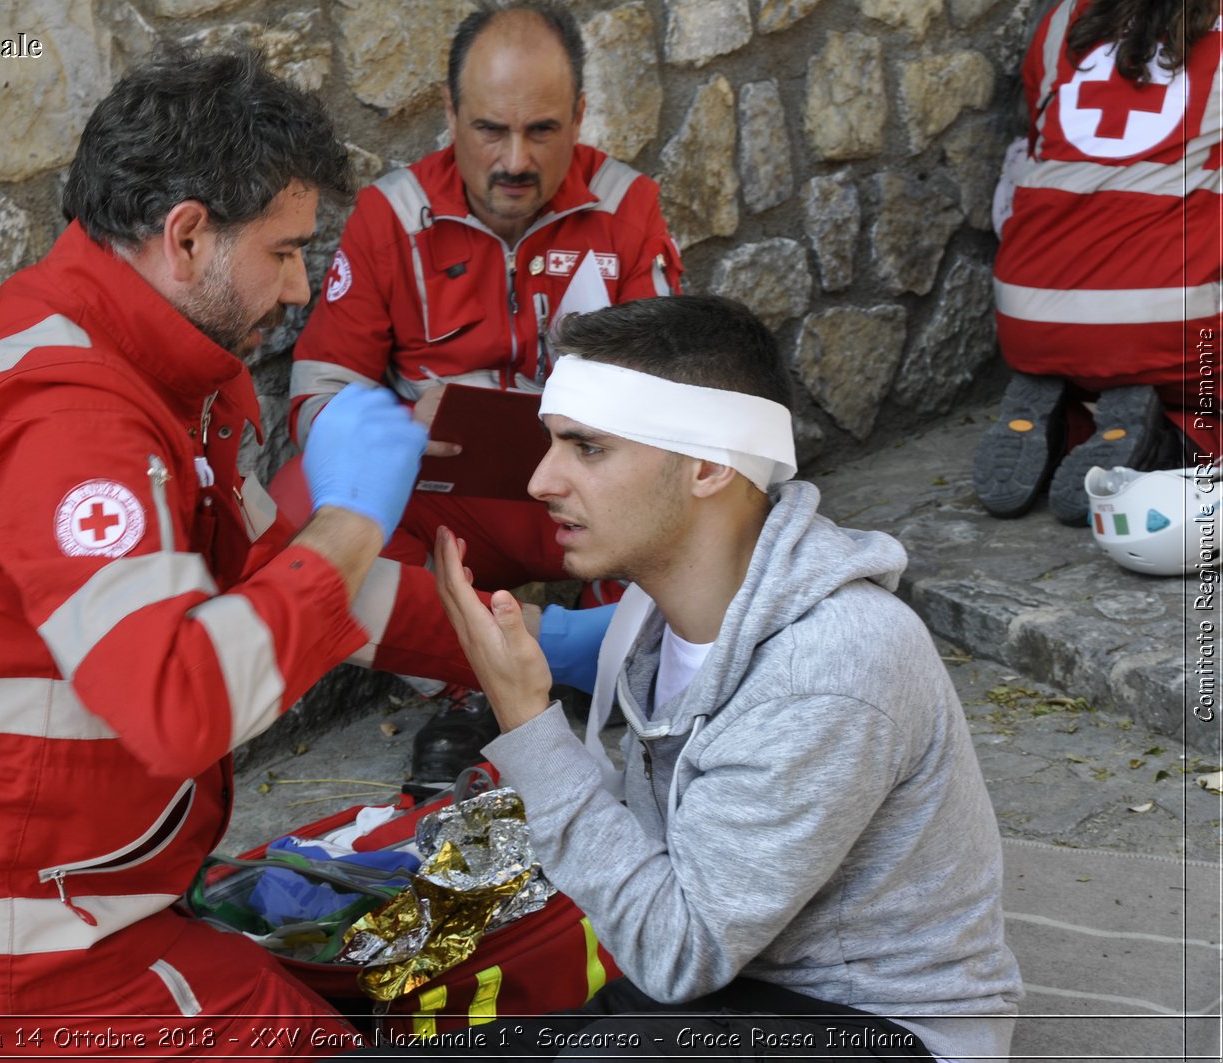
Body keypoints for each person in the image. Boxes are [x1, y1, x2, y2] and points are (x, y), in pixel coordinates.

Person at [0, 50, 486, 1063]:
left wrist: (522, 639)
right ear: (186, 235)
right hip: (3, 934)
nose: (297, 288)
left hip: (1, 883)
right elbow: (179, 696)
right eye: (284, 253)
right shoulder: (70, 414)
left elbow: (283, 585)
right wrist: (353, 521)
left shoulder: (130, 361)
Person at [426, 296, 1023, 1061]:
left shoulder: (832, 666)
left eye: (588, 448)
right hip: (728, 995)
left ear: (708, 463)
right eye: (553, 443)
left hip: (880, 1029)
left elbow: (680, 950)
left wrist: (527, 721)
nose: (543, 479)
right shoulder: (653, 615)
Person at [281, 1, 682, 784]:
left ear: (580, 117)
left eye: (542, 131)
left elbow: (673, 393)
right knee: (300, 506)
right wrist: (395, 429)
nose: (515, 161)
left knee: (696, 478)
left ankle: (615, 653)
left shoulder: (626, 205)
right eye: (490, 130)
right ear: (450, 114)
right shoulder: (391, 216)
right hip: (457, 505)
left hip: (593, 497)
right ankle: (472, 684)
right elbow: (318, 389)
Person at [977, 0, 1220, 523]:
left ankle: (1066, 416)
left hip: (1030, 311)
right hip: (1173, 321)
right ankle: (1173, 440)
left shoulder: (1064, 17)